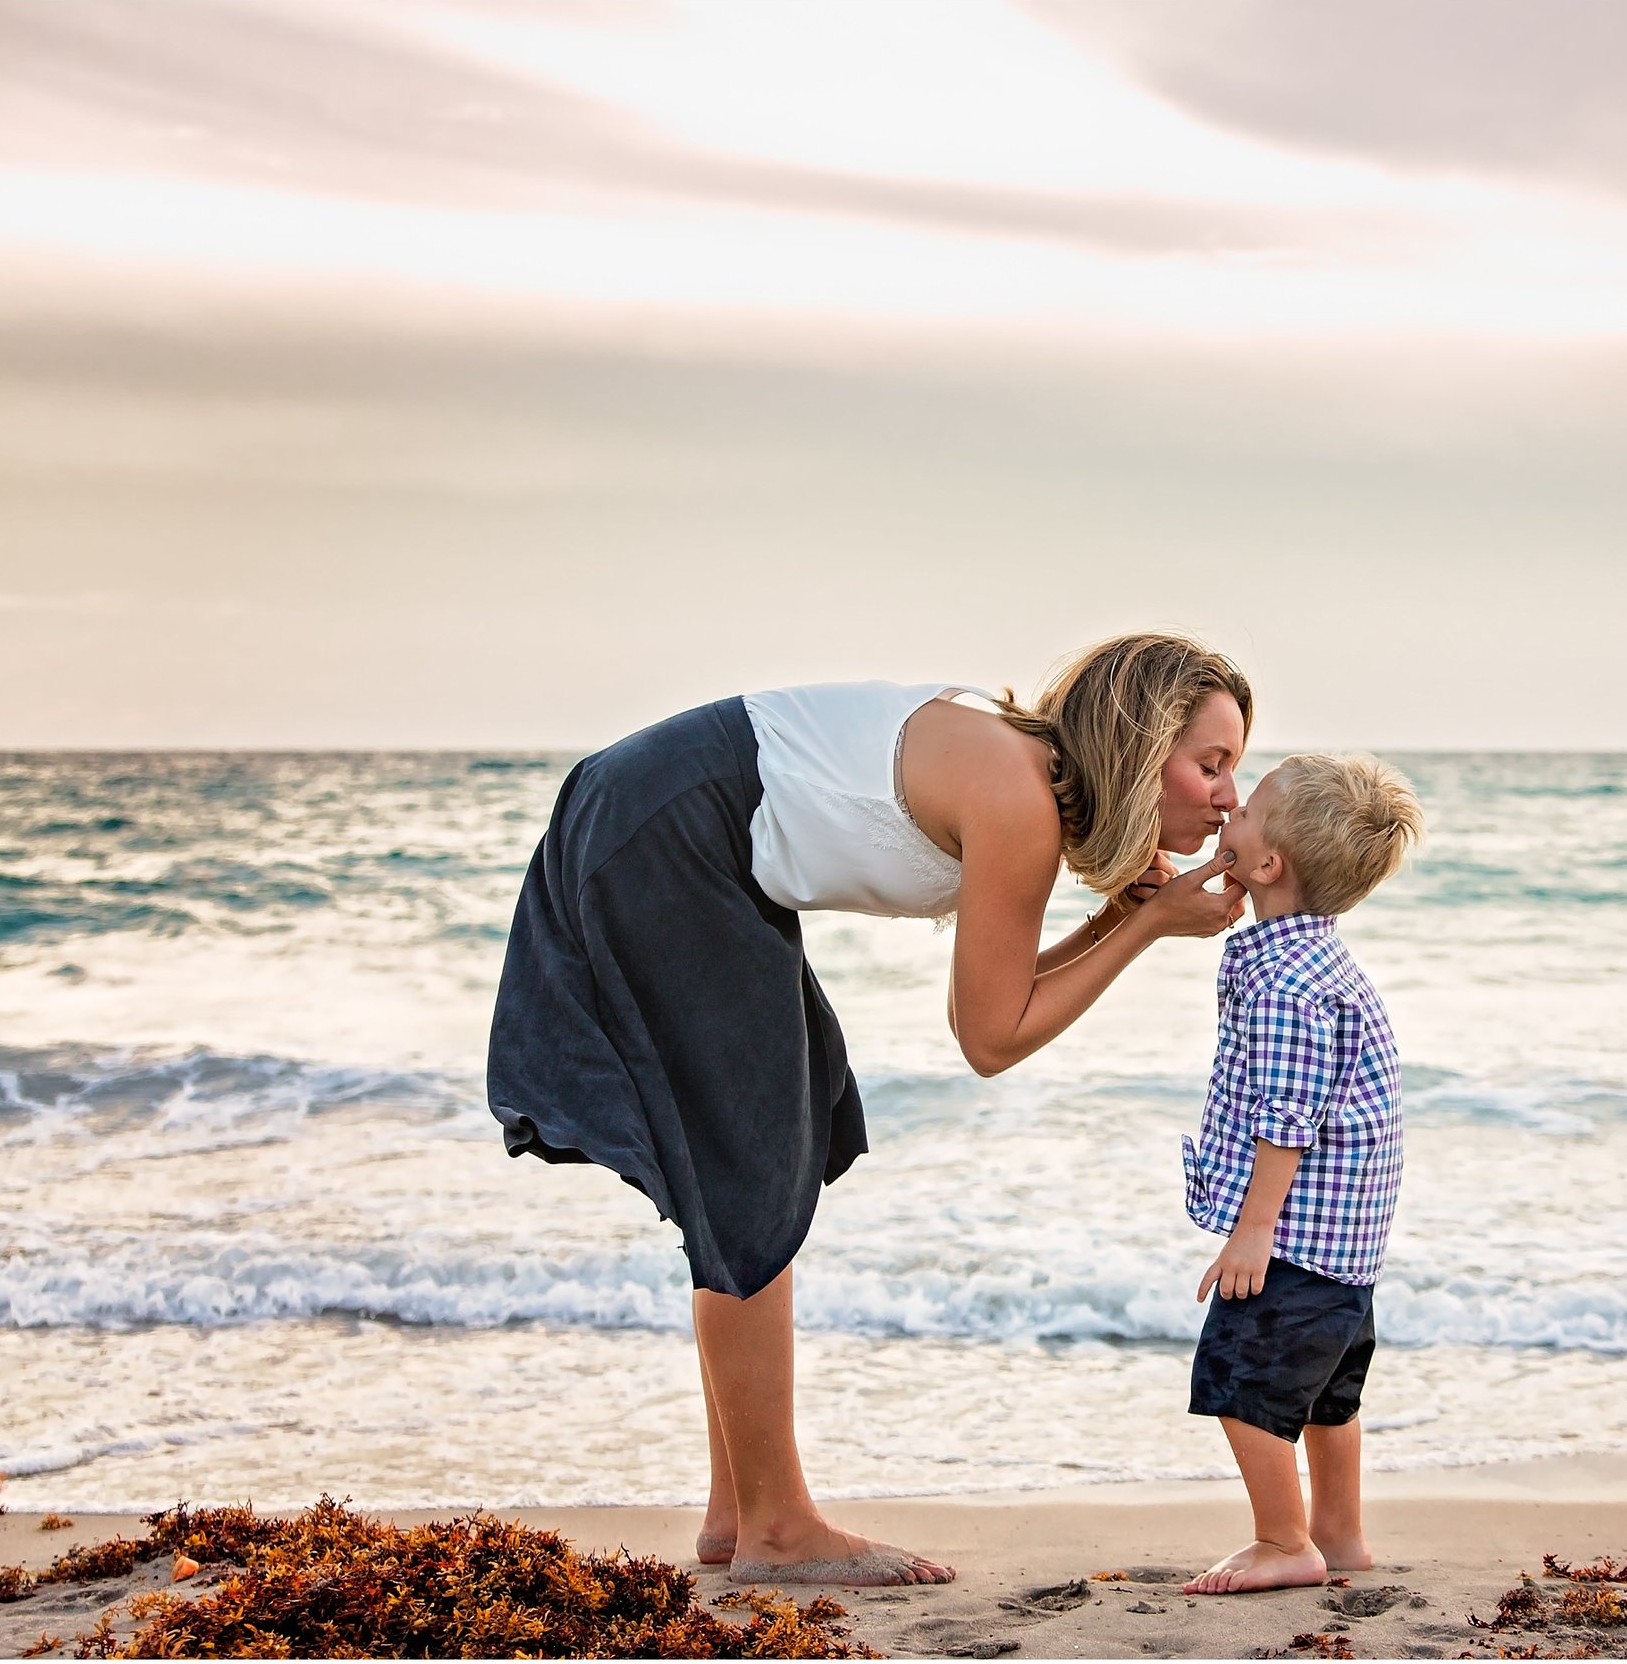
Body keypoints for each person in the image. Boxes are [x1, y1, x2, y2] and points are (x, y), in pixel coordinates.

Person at [486, 634, 1252, 1586]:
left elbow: (996, 996)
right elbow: (992, 1038)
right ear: (1140, 746)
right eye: (1211, 764)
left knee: (777, 1139)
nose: (1229, 796)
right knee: (749, 1166)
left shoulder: (1026, 777)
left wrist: (1117, 919)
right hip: (674, 828)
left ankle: (740, 1512)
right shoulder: (1017, 795)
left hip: (680, 821)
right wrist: (1142, 924)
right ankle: (776, 1527)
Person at [1175, 753, 1424, 1595]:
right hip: (1344, 1255)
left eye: (1247, 815)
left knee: (1242, 1390)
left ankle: (1285, 1542)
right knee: (1328, 1399)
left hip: (1297, 1245)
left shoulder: (1286, 981)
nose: (1231, 810)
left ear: (1270, 864)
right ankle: (1341, 1537)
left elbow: (1288, 1120)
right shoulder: (1318, 962)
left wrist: (1252, 1233)